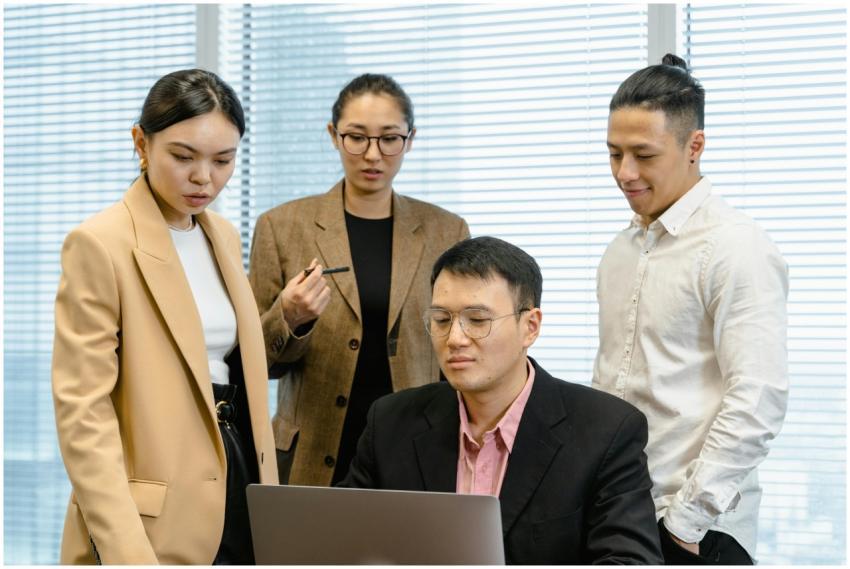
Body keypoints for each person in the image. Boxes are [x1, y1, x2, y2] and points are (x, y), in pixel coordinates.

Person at [52, 69, 277, 564]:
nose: (204, 178)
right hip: (155, 515)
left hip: (239, 478)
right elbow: (83, 415)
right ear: (141, 142)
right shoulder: (100, 243)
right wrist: (128, 553)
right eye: (183, 156)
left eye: (223, 160)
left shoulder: (222, 234)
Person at [339, 236, 663, 564]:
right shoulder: (392, 421)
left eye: (477, 321)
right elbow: (341, 540)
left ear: (530, 327)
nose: (454, 339)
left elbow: (628, 562)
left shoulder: (606, 431)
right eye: (441, 320)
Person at [593, 53, 789, 564]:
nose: (624, 172)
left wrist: (686, 521)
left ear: (694, 146)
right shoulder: (619, 250)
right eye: (614, 154)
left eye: (643, 154)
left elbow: (758, 398)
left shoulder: (736, 246)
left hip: (697, 532)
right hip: (618, 516)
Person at [249, 73, 470, 486]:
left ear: (411, 138)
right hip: (312, 449)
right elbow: (253, 361)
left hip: (417, 444)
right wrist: (289, 316)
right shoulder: (281, 226)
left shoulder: (446, 230)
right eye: (357, 137)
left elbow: (456, 350)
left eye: (389, 139)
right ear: (334, 135)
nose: (373, 155)